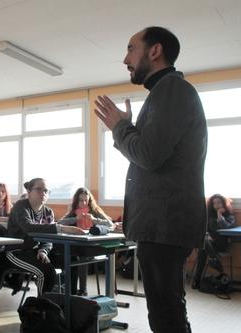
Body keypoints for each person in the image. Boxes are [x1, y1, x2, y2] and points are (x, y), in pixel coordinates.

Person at [94, 26, 207, 333]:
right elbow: (150, 154)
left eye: (131, 49)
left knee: (165, 314)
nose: (125, 59)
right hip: (163, 223)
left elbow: (148, 155)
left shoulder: (171, 90)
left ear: (154, 51)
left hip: (164, 224)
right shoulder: (165, 92)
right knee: (167, 309)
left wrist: (120, 128)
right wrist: (127, 128)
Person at [6, 178, 84, 296]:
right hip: (17, 251)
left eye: (46, 191)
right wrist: (60, 228)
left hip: (38, 251)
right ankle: (43, 308)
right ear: (29, 191)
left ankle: (70, 300)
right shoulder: (20, 206)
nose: (43, 193)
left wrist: (44, 250)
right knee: (46, 271)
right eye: (39, 189)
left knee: (72, 260)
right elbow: (29, 228)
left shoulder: (48, 212)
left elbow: (49, 239)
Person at [58, 187, 116, 295]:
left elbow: (110, 224)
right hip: (78, 244)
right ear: (76, 201)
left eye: (86, 200)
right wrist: (75, 219)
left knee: (82, 256)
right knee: (73, 255)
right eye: (81, 200)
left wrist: (94, 220)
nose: (84, 203)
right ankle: (71, 289)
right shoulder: (73, 211)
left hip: (94, 245)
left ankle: (83, 289)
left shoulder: (94, 210)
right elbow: (60, 222)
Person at [192, 194, 235, 289]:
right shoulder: (209, 216)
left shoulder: (229, 216)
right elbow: (203, 228)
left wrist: (219, 214)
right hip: (209, 243)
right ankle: (214, 260)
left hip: (221, 243)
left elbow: (225, 227)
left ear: (223, 203)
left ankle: (196, 280)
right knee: (203, 248)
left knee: (203, 247)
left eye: (219, 202)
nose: (217, 205)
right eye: (214, 203)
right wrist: (207, 234)